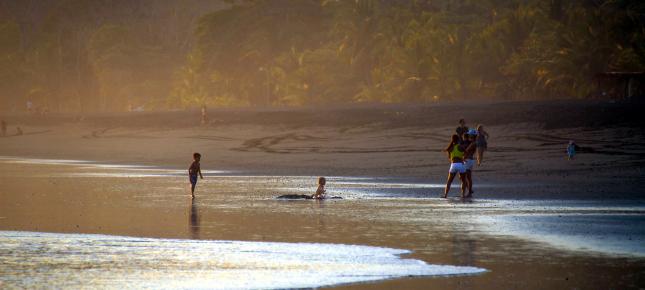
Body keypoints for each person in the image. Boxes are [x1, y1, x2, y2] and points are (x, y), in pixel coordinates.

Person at [443, 134, 468, 198]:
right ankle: (463, 195)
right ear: (458, 140)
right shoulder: (460, 146)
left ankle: (445, 195)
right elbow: (466, 152)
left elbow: (449, 157)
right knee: (463, 181)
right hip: (460, 164)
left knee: (449, 181)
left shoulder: (450, 148)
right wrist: (463, 158)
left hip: (453, 165)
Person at [463, 129, 478, 197]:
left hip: (467, 160)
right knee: (468, 177)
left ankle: (469, 191)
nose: (469, 135)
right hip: (471, 160)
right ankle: (469, 191)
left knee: (463, 177)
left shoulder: (473, 143)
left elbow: (466, 151)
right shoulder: (474, 142)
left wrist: (462, 157)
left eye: (470, 134)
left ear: (472, 135)